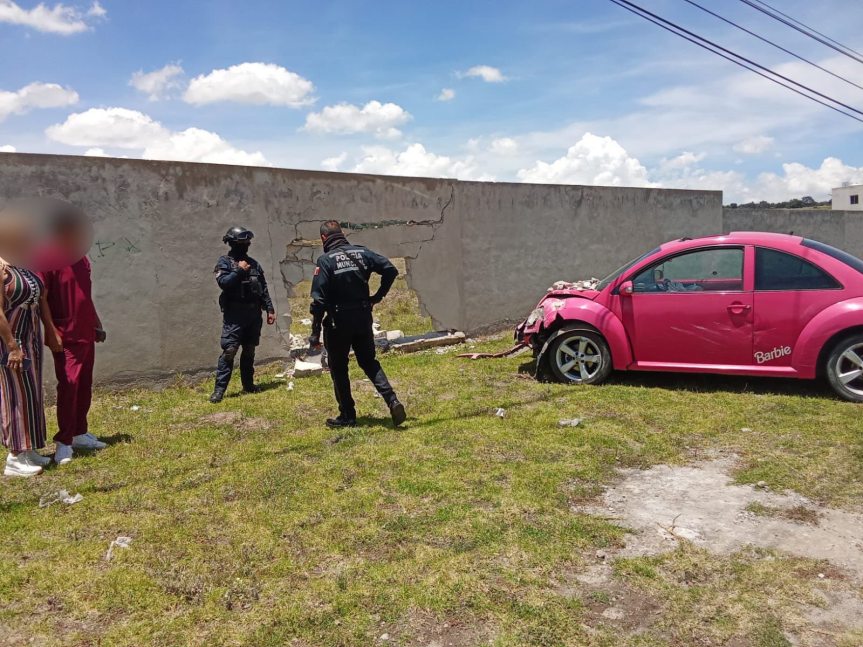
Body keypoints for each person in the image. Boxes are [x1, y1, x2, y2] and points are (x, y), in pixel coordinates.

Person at [308, 220, 406, 428]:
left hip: (338, 322)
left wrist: (315, 333)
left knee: (339, 367)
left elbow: (319, 300)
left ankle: (347, 415)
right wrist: (377, 297)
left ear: (324, 238)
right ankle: (392, 400)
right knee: (369, 362)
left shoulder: (325, 261)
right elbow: (390, 270)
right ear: (342, 234)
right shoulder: (361, 252)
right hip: (362, 317)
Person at [41, 255, 108, 465]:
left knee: (84, 384)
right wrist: (51, 331)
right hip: (66, 334)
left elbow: (85, 296)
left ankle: (79, 433)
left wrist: (96, 323)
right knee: (69, 386)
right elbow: (42, 298)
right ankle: (64, 441)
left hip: (86, 331)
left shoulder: (81, 259)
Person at [0, 256, 63, 476]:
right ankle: (15, 456)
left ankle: (30, 448)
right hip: (12, 340)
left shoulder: (23, 264)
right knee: (16, 394)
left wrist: (48, 331)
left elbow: (40, 298)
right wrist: (12, 346)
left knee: (31, 392)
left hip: (30, 336)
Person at [210, 226, 276, 403]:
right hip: (234, 315)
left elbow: (263, 288)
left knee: (249, 350)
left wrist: (269, 309)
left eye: (248, 242)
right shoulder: (224, 262)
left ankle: (248, 385)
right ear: (233, 243)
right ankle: (219, 391)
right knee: (229, 350)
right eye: (243, 242)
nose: (247, 245)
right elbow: (224, 283)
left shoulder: (254, 264)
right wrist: (239, 271)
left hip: (253, 314)